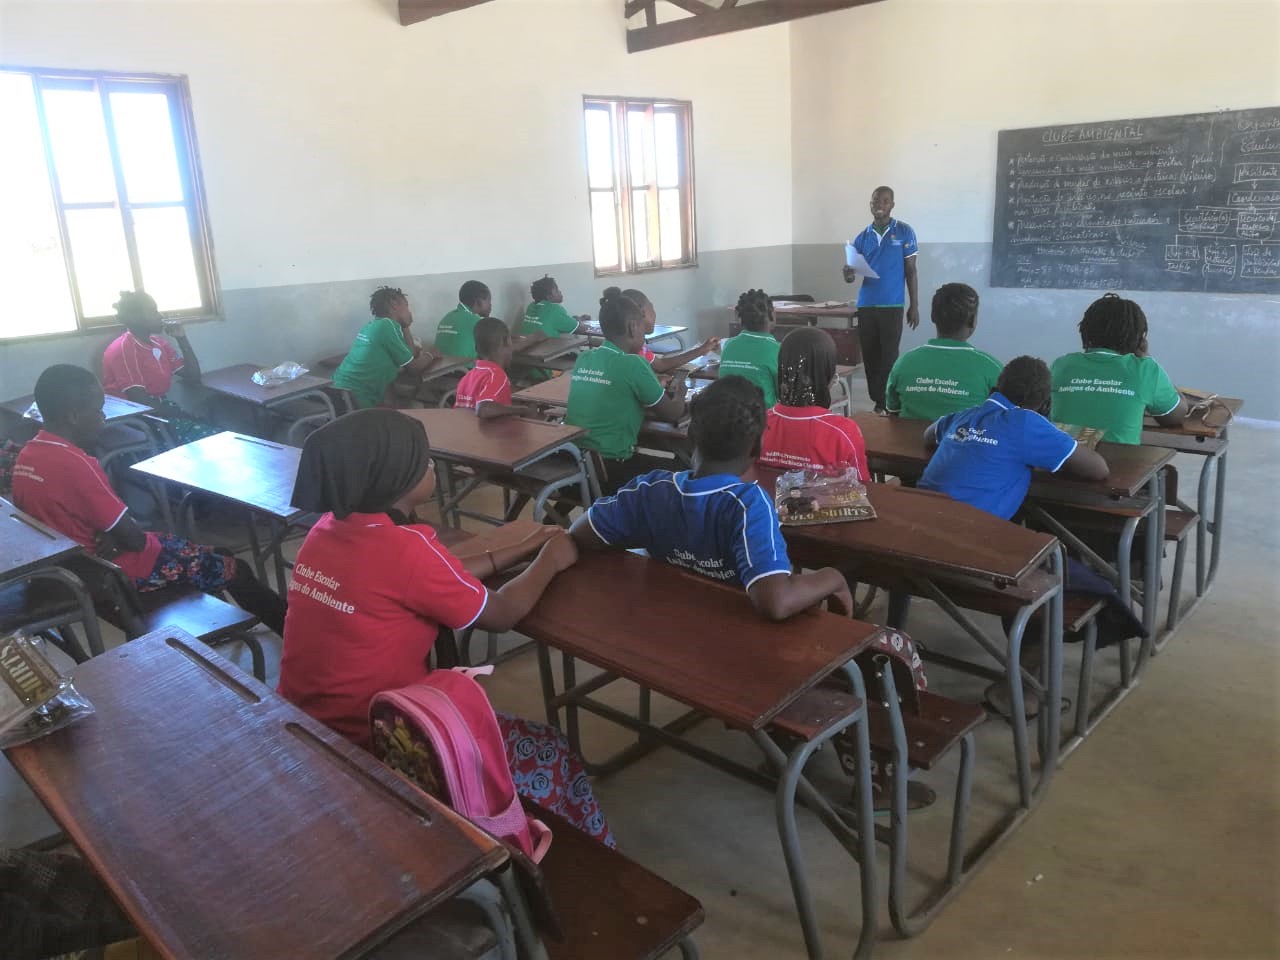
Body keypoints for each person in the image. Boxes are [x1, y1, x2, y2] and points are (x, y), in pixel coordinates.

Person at [277, 409, 613, 845]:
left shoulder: (327, 532)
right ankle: (557, 861)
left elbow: (432, 576)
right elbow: (501, 614)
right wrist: (550, 559)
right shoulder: (404, 550)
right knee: (552, 751)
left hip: (308, 725)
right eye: (425, 461)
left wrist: (519, 546)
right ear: (394, 479)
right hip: (379, 740)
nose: (433, 465)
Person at [11, 365, 286, 634]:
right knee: (237, 568)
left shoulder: (28, 455)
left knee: (216, 554)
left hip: (75, 567)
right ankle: (297, 636)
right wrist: (114, 536)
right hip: (114, 574)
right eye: (97, 409)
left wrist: (106, 535)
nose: (103, 417)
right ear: (73, 416)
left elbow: (61, 518)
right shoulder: (76, 464)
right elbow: (135, 540)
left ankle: (229, 622)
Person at [570, 376, 852, 620]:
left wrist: (645, 529)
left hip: (661, 626)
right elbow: (775, 602)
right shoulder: (748, 505)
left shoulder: (650, 490)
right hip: (730, 651)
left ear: (690, 436)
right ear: (757, 447)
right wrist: (833, 577)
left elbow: (580, 532)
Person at [920, 356, 1110, 517]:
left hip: (919, 514)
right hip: (971, 531)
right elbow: (1099, 469)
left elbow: (929, 435)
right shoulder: (1026, 422)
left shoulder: (965, 415)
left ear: (997, 389)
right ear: (1045, 406)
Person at [564, 289, 687, 495]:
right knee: (684, 471)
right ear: (633, 327)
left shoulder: (585, 358)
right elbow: (673, 412)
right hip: (612, 469)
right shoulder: (633, 364)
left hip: (577, 463)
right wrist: (680, 391)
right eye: (641, 325)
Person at [1050, 293, 1187, 444]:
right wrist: (1148, 358)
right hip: (1120, 464)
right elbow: (1175, 416)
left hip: (1062, 463)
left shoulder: (1061, 365)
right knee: (1167, 467)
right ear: (1138, 338)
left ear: (1085, 329)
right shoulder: (1145, 369)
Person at [99, 290, 218, 443]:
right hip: (136, 416)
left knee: (213, 432)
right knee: (209, 437)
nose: (160, 316)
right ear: (136, 318)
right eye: (153, 311)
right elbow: (139, 400)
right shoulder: (124, 349)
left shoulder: (158, 343)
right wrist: (182, 414)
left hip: (159, 409)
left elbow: (193, 377)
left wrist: (182, 338)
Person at [843, 186, 920, 414]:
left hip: (893, 305)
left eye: (885, 201)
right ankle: (878, 403)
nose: (879, 204)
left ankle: (888, 401)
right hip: (866, 304)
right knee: (870, 355)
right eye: (875, 200)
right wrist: (847, 273)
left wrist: (914, 305)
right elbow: (851, 274)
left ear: (892, 205)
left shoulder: (905, 232)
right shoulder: (862, 237)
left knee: (889, 356)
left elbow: (911, 271)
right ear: (870, 204)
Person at [758, 327, 870, 481]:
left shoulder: (758, 425)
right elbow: (862, 487)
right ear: (829, 374)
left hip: (767, 504)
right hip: (822, 505)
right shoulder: (843, 432)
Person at [885, 283, 1001, 421]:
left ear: (933, 316)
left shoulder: (903, 362)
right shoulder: (992, 367)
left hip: (906, 441)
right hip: (961, 442)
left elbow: (893, 413)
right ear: (972, 321)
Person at [333, 286, 439, 409]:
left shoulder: (374, 325)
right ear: (394, 304)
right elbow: (414, 368)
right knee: (414, 409)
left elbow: (410, 355)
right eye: (406, 306)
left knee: (401, 405)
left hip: (342, 389)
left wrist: (405, 326)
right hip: (356, 395)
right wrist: (432, 354)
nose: (409, 311)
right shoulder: (387, 326)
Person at [616, 287, 720, 375]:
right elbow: (659, 369)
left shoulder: (629, 345)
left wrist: (702, 349)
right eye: (651, 308)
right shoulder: (633, 352)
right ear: (642, 313)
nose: (654, 314)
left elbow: (660, 365)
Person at [719, 289, 779, 406]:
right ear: (772, 315)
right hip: (763, 419)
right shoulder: (777, 350)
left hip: (728, 415)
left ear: (740, 319)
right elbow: (783, 392)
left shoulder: (728, 345)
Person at [454, 317, 522, 419]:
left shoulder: (466, 378)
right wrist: (521, 410)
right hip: (489, 434)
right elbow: (484, 409)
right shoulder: (497, 375)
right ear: (507, 341)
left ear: (476, 348)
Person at [433, 280, 492, 361]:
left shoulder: (447, 317)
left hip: (439, 371)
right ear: (479, 302)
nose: (490, 305)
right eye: (489, 301)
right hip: (463, 370)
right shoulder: (477, 322)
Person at [521, 275, 589, 339]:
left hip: (526, 349)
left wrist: (578, 318)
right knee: (575, 340)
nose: (560, 292)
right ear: (549, 297)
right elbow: (581, 329)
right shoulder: (554, 309)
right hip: (547, 350)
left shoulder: (531, 307)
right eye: (556, 291)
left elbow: (548, 321)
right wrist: (579, 320)